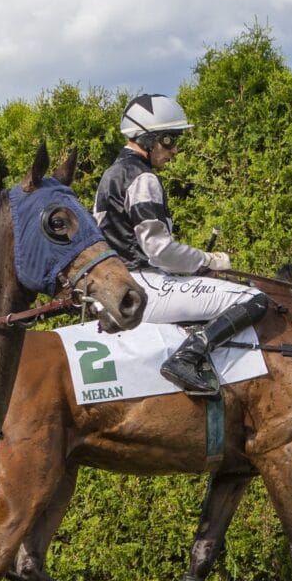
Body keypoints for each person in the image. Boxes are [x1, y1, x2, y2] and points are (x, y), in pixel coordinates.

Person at [93, 95, 269, 396]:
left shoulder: (111, 174)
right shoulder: (143, 178)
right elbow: (158, 250)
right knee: (253, 298)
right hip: (146, 286)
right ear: (146, 139)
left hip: (119, 284)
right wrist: (207, 261)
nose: (175, 150)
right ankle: (187, 358)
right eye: (169, 140)